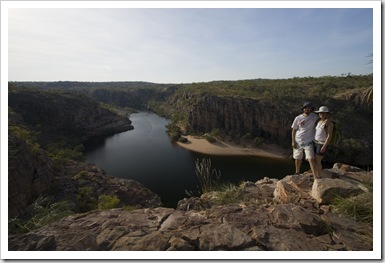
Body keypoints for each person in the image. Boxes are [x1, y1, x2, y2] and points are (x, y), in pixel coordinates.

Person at [291, 102, 319, 179]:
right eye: (306, 108)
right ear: (303, 109)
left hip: (308, 141)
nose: (307, 109)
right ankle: (297, 172)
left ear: (311, 109)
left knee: (310, 158)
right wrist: (293, 141)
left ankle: (315, 176)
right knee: (297, 158)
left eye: (309, 108)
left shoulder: (315, 117)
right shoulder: (298, 118)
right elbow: (294, 130)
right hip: (298, 140)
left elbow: (322, 119)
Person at [313, 106, 333, 177]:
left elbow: (329, 136)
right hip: (316, 143)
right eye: (320, 113)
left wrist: (324, 146)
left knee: (318, 161)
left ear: (327, 114)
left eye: (323, 113)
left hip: (322, 144)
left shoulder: (329, 124)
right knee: (314, 160)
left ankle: (319, 175)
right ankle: (316, 174)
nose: (321, 114)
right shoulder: (319, 122)